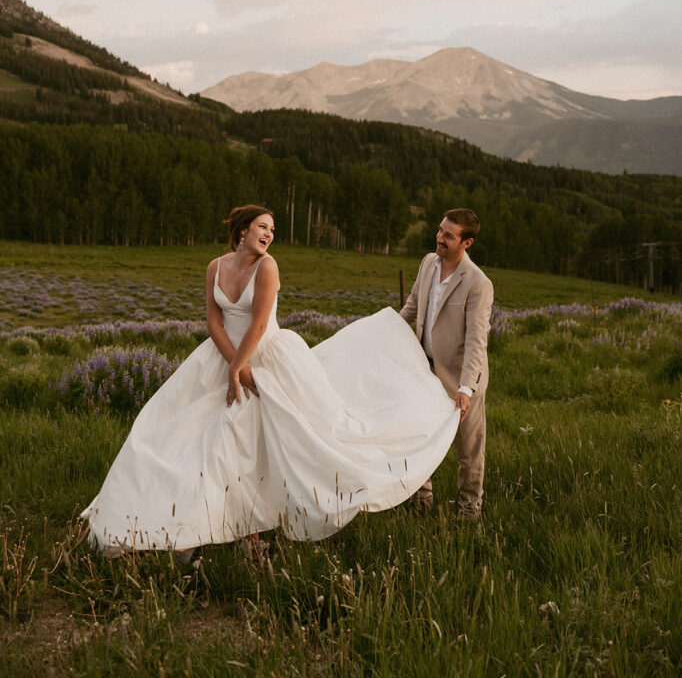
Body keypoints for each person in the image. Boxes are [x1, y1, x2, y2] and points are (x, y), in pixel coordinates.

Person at [82, 205, 461, 555]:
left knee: (254, 438)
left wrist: (241, 367)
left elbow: (260, 323)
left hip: (268, 357)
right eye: (263, 227)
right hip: (223, 358)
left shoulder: (268, 267)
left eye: (273, 229)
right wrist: (233, 365)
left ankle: (250, 530)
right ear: (243, 230)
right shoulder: (215, 267)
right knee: (178, 433)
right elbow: (214, 322)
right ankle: (188, 521)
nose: (269, 234)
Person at [400, 209, 493, 519]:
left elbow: (477, 341)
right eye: (440, 231)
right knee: (418, 440)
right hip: (423, 372)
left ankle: (469, 513)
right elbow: (412, 305)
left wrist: (466, 389)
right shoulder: (428, 263)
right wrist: (387, 334)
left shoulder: (478, 283)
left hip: (460, 379)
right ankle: (421, 504)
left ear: (467, 243)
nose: (439, 238)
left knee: (468, 451)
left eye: (448, 235)